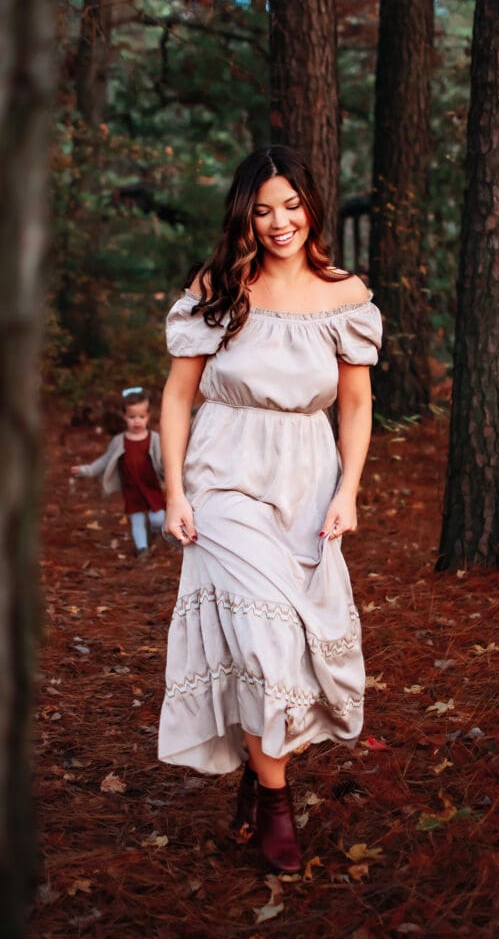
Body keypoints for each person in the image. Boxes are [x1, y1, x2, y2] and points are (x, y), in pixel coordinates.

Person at [158, 145, 382, 874]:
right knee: (265, 643)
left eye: (290, 205)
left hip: (308, 478)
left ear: (310, 206)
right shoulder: (220, 285)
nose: (278, 221)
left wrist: (348, 489)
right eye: (262, 210)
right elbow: (177, 395)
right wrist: (175, 492)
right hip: (224, 474)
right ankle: (278, 807)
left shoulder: (342, 293)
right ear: (244, 217)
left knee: (291, 647)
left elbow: (354, 403)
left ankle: (259, 777)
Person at [71, 387, 166, 558]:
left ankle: (153, 531)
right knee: (136, 520)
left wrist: (171, 473)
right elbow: (105, 460)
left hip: (151, 486)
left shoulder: (154, 439)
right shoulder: (119, 441)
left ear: (148, 416)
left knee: (158, 518)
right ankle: (141, 549)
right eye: (132, 417)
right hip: (132, 488)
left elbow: (163, 461)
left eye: (141, 417)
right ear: (124, 417)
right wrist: (87, 470)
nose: (137, 421)